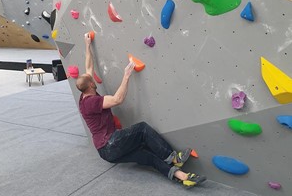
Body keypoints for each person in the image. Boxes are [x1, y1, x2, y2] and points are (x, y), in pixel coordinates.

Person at [76, 32, 206, 188]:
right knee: (142, 129)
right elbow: (117, 99)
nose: (90, 75)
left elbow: (89, 67)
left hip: (106, 153)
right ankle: (173, 158)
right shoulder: (91, 102)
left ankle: (183, 177)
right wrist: (126, 75)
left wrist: (87, 44)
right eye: (90, 79)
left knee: (147, 156)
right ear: (91, 85)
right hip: (110, 144)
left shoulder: (85, 92)